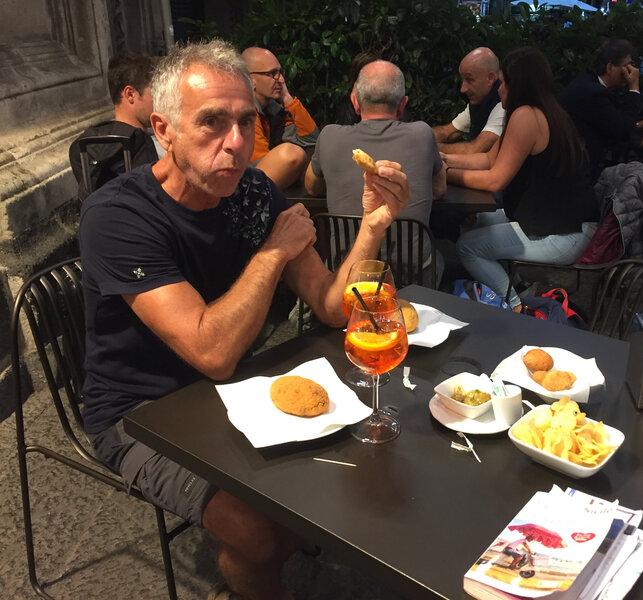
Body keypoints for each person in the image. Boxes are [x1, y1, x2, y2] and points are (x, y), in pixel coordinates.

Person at [79, 40, 409, 600]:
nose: (235, 143)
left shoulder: (250, 192)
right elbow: (212, 351)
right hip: (138, 413)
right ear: (163, 129)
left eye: (244, 121)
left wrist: (373, 227)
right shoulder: (118, 215)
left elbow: (332, 306)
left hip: (230, 391)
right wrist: (273, 252)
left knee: (349, 471)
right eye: (212, 122)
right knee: (258, 533)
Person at [443, 47, 598, 311]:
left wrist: (444, 174)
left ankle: (517, 308)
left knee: (468, 247)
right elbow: (489, 160)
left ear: (518, 85)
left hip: (565, 233)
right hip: (557, 221)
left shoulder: (526, 116)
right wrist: (442, 158)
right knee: (473, 222)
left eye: (502, 82)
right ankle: (517, 285)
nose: (499, 89)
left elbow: (495, 180)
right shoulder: (541, 110)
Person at [306, 60, 444, 281]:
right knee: (443, 254)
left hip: (346, 276)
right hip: (413, 280)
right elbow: (439, 188)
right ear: (402, 105)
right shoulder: (423, 133)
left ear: (355, 103)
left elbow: (311, 187)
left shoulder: (329, 135)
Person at [559, 38, 643, 178]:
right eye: (626, 66)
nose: (631, 71)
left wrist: (638, 125)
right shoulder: (593, 93)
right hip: (577, 173)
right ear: (609, 67)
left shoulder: (587, 81)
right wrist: (634, 89)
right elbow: (620, 130)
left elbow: (610, 122)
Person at [68, 51, 160, 200]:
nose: (159, 100)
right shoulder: (158, 145)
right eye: (154, 92)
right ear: (130, 94)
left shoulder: (85, 147)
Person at [241, 46, 319, 190]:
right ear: (251, 80)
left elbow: (311, 142)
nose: (281, 80)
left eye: (280, 73)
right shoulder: (245, 111)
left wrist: (288, 99)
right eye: (272, 74)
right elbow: (260, 166)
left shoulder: (272, 109)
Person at [432, 47, 506, 154]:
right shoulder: (480, 101)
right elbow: (447, 132)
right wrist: (414, 136)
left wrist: (428, 147)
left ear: (490, 78)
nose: (462, 89)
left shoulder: (504, 104)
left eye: (469, 80)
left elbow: (476, 150)